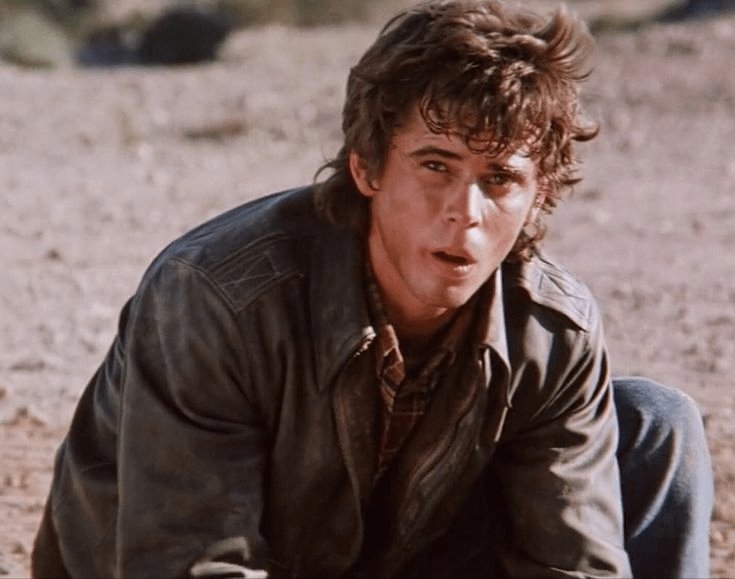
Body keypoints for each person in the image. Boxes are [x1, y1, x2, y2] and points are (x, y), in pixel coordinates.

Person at [32, 0, 713, 577]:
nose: (465, 212)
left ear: (538, 194)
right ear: (366, 167)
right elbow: (191, 563)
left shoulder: (552, 330)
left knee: (654, 423)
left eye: (500, 178)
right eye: (435, 165)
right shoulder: (215, 299)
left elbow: (573, 565)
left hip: (397, 555)